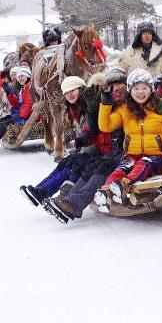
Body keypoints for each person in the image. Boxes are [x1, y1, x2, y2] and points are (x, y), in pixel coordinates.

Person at [43, 68, 130, 222]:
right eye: (112, 86)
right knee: (88, 165)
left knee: (99, 166)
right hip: (109, 149)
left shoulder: (128, 105)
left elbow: (103, 129)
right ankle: (67, 199)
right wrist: (95, 108)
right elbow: (101, 126)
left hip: (121, 151)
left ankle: (72, 202)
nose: (117, 89)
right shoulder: (109, 106)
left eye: (121, 84)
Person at [92, 68, 162, 212]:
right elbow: (106, 126)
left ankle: (122, 186)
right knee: (120, 170)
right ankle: (106, 193)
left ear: (151, 89)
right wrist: (106, 102)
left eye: (144, 88)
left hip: (156, 158)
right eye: (136, 88)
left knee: (143, 164)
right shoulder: (125, 109)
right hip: (131, 155)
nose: (140, 92)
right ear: (130, 90)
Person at [19, 76, 97, 205]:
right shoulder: (75, 107)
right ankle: (39, 189)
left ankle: (43, 192)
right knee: (63, 164)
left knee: (71, 167)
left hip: (95, 149)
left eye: (73, 90)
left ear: (81, 88)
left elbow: (92, 131)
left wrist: (82, 148)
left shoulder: (88, 105)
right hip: (86, 147)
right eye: (66, 93)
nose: (70, 95)